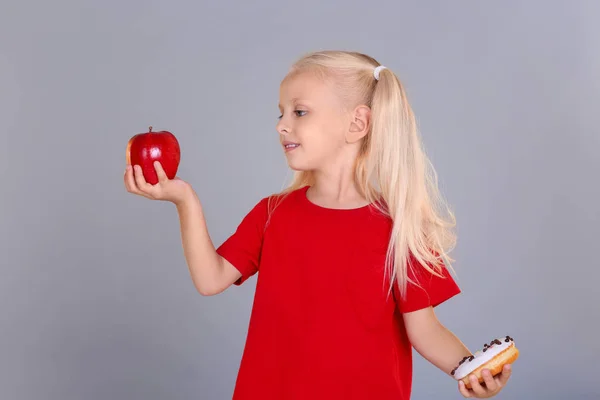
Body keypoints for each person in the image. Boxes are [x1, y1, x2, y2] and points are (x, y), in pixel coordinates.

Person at [124, 50, 513, 399]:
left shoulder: (401, 228)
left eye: (300, 111)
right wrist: (184, 200)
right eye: (281, 113)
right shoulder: (272, 214)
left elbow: (425, 331)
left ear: (357, 123)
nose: (281, 125)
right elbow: (211, 280)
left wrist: (471, 370)